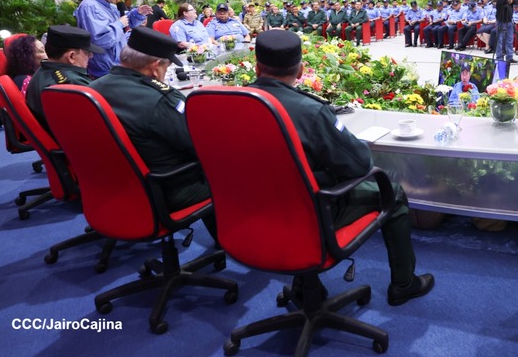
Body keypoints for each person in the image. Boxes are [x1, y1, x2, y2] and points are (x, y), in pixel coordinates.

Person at [249, 30, 434, 305]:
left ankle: (304, 283)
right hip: (312, 213)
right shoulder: (309, 110)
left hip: (251, 212)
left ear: (256, 68)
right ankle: (404, 284)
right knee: (392, 193)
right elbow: (360, 165)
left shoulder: (231, 102)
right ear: (300, 71)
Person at [90, 27, 217, 239]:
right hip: (169, 188)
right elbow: (200, 147)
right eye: (167, 67)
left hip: (113, 186)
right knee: (236, 171)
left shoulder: (93, 89)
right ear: (156, 67)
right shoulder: (160, 100)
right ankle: (231, 241)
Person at [74, 0, 153, 78]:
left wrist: (137, 14)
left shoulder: (109, 6)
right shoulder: (90, 7)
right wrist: (119, 24)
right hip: (104, 73)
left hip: (116, 69)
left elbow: (125, 22)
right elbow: (101, 39)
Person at [26, 26, 98, 131]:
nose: (91, 56)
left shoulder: (43, 70)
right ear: (71, 56)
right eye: (87, 52)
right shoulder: (71, 84)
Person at [495, 0, 518, 64]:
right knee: (500, 40)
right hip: (501, 21)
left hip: (509, 20)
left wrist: (512, 1)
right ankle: (499, 57)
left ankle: (509, 57)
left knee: (510, 40)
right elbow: (500, 1)